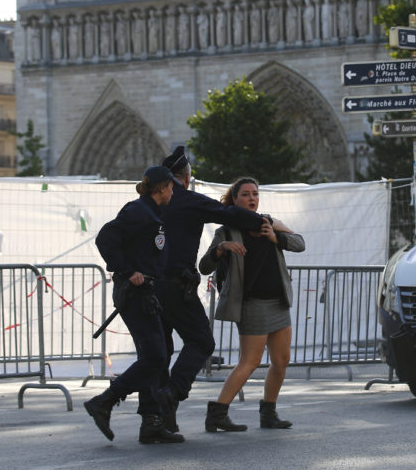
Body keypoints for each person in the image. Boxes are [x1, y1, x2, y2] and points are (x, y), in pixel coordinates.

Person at [153, 146, 266, 432]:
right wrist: (261, 221)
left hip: (148, 286)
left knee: (160, 351)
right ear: (186, 177)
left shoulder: (148, 201)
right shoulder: (187, 200)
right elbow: (226, 214)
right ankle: (170, 394)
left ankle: (158, 421)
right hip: (176, 284)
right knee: (201, 342)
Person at [83, 166, 184, 444]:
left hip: (148, 293)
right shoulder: (138, 211)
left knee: (157, 356)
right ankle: (104, 402)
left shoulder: (154, 213)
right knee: (154, 357)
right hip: (135, 293)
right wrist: (128, 271)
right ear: (162, 188)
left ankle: (150, 422)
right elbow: (106, 239)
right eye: (171, 187)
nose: (173, 191)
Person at [198, 176, 305, 431]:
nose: (252, 198)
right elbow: (204, 266)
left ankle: (269, 412)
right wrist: (222, 248)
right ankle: (217, 413)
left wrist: (276, 237)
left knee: (281, 361)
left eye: (255, 194)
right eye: (245, 194)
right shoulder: (226, 230)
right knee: (250, 361)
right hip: (252, 303)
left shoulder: (268, 222)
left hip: (278, 301)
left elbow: (300, 243)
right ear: (234, 200)